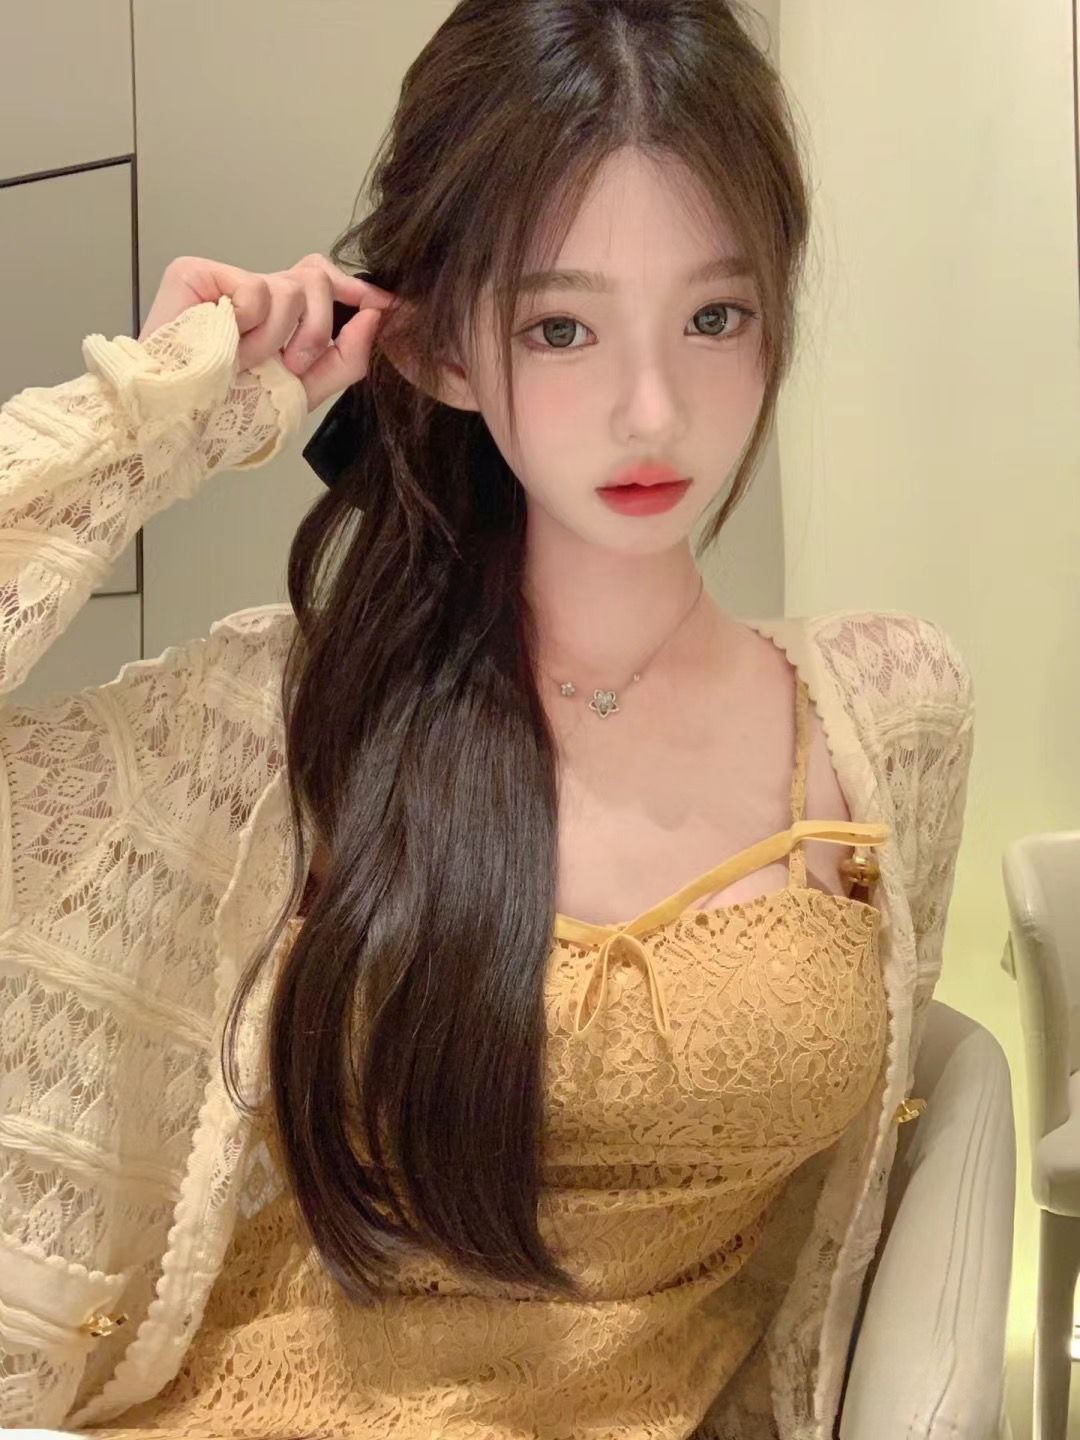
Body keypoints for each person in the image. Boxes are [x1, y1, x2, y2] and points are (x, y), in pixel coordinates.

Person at [0, 1, 975, 1437]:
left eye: (714, 317)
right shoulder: (303, 712)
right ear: (445, 351)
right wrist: (149, 425)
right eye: (562, 327)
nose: (654, 412)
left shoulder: (887, 720)